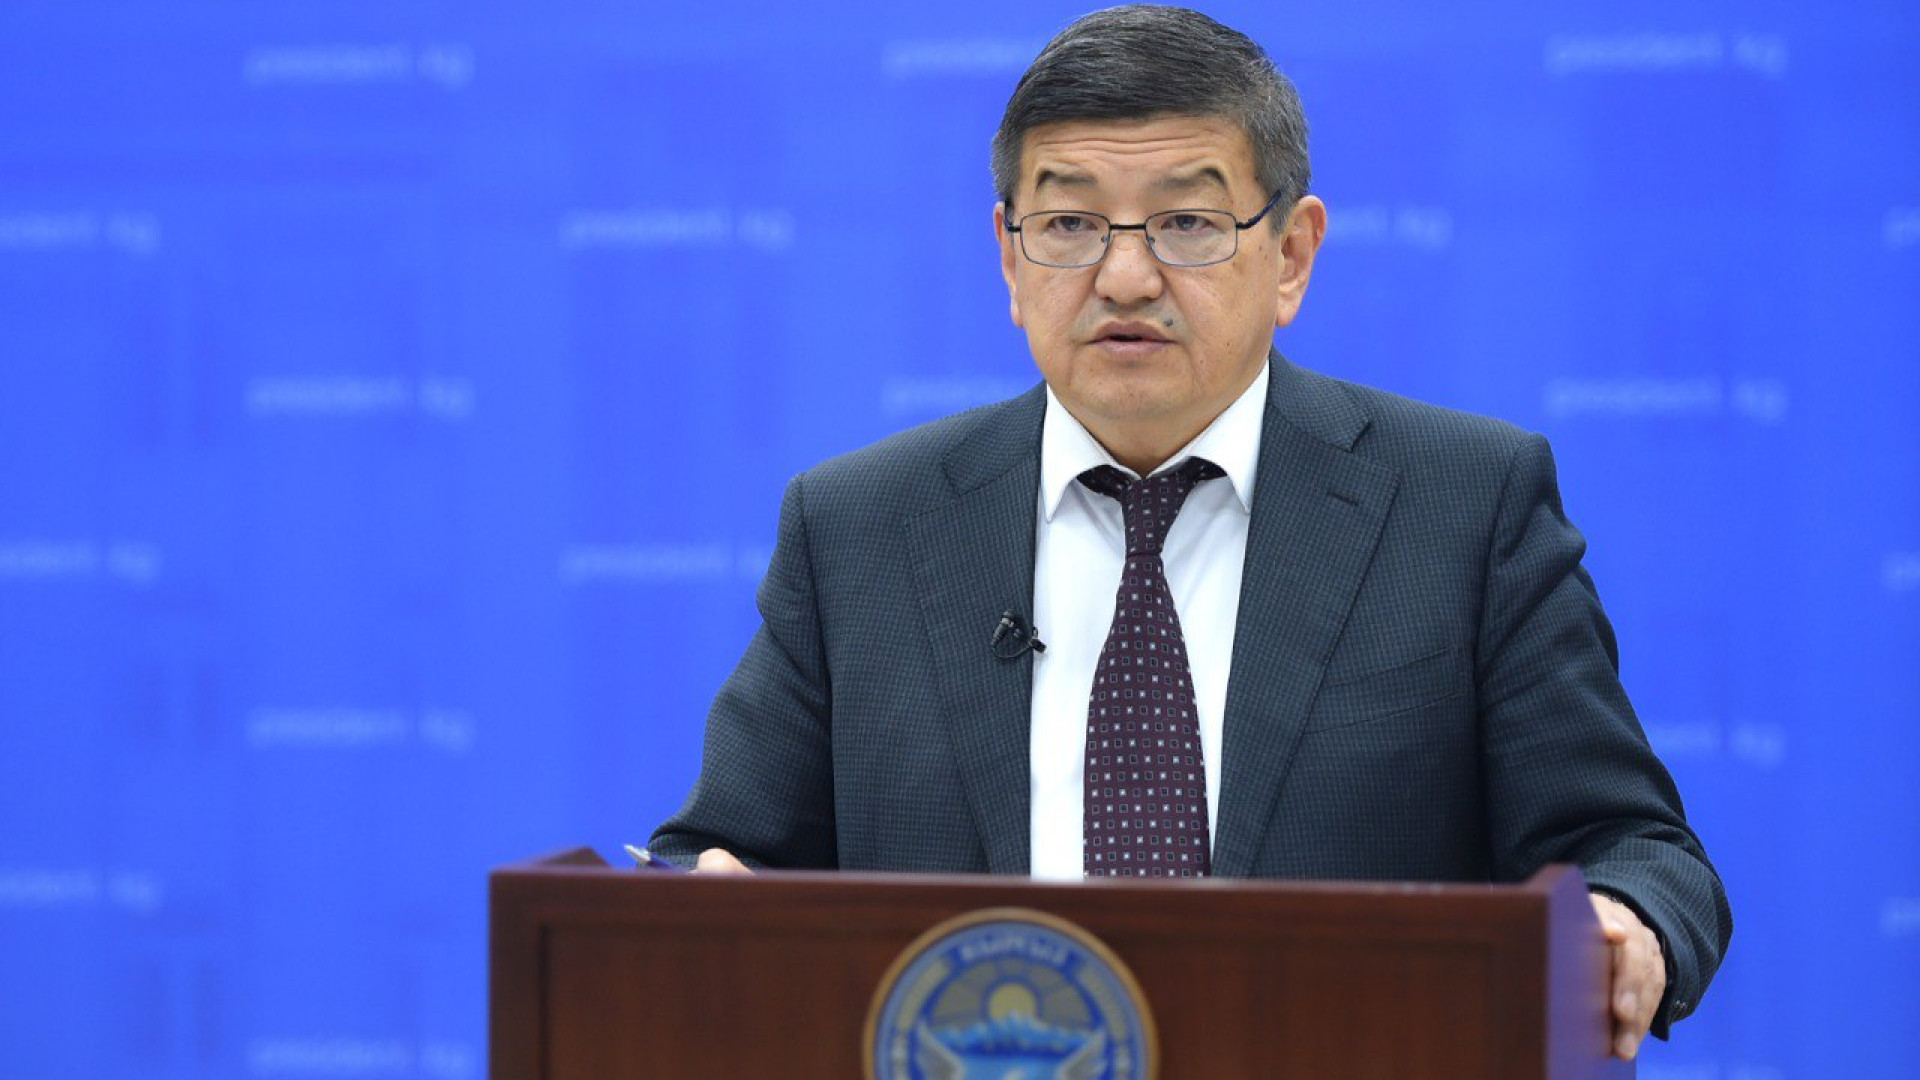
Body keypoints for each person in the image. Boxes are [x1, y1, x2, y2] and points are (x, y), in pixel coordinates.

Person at [650, 4, 1730, 1060]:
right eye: (1069, 224)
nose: (1125, 278)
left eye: (1188, 223)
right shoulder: (860, 528)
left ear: (1292, 254)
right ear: (1010, 259)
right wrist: (699, 902)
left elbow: (1631, 846)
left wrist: (1626, 921)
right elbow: (724, 857)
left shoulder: (1462, 505)